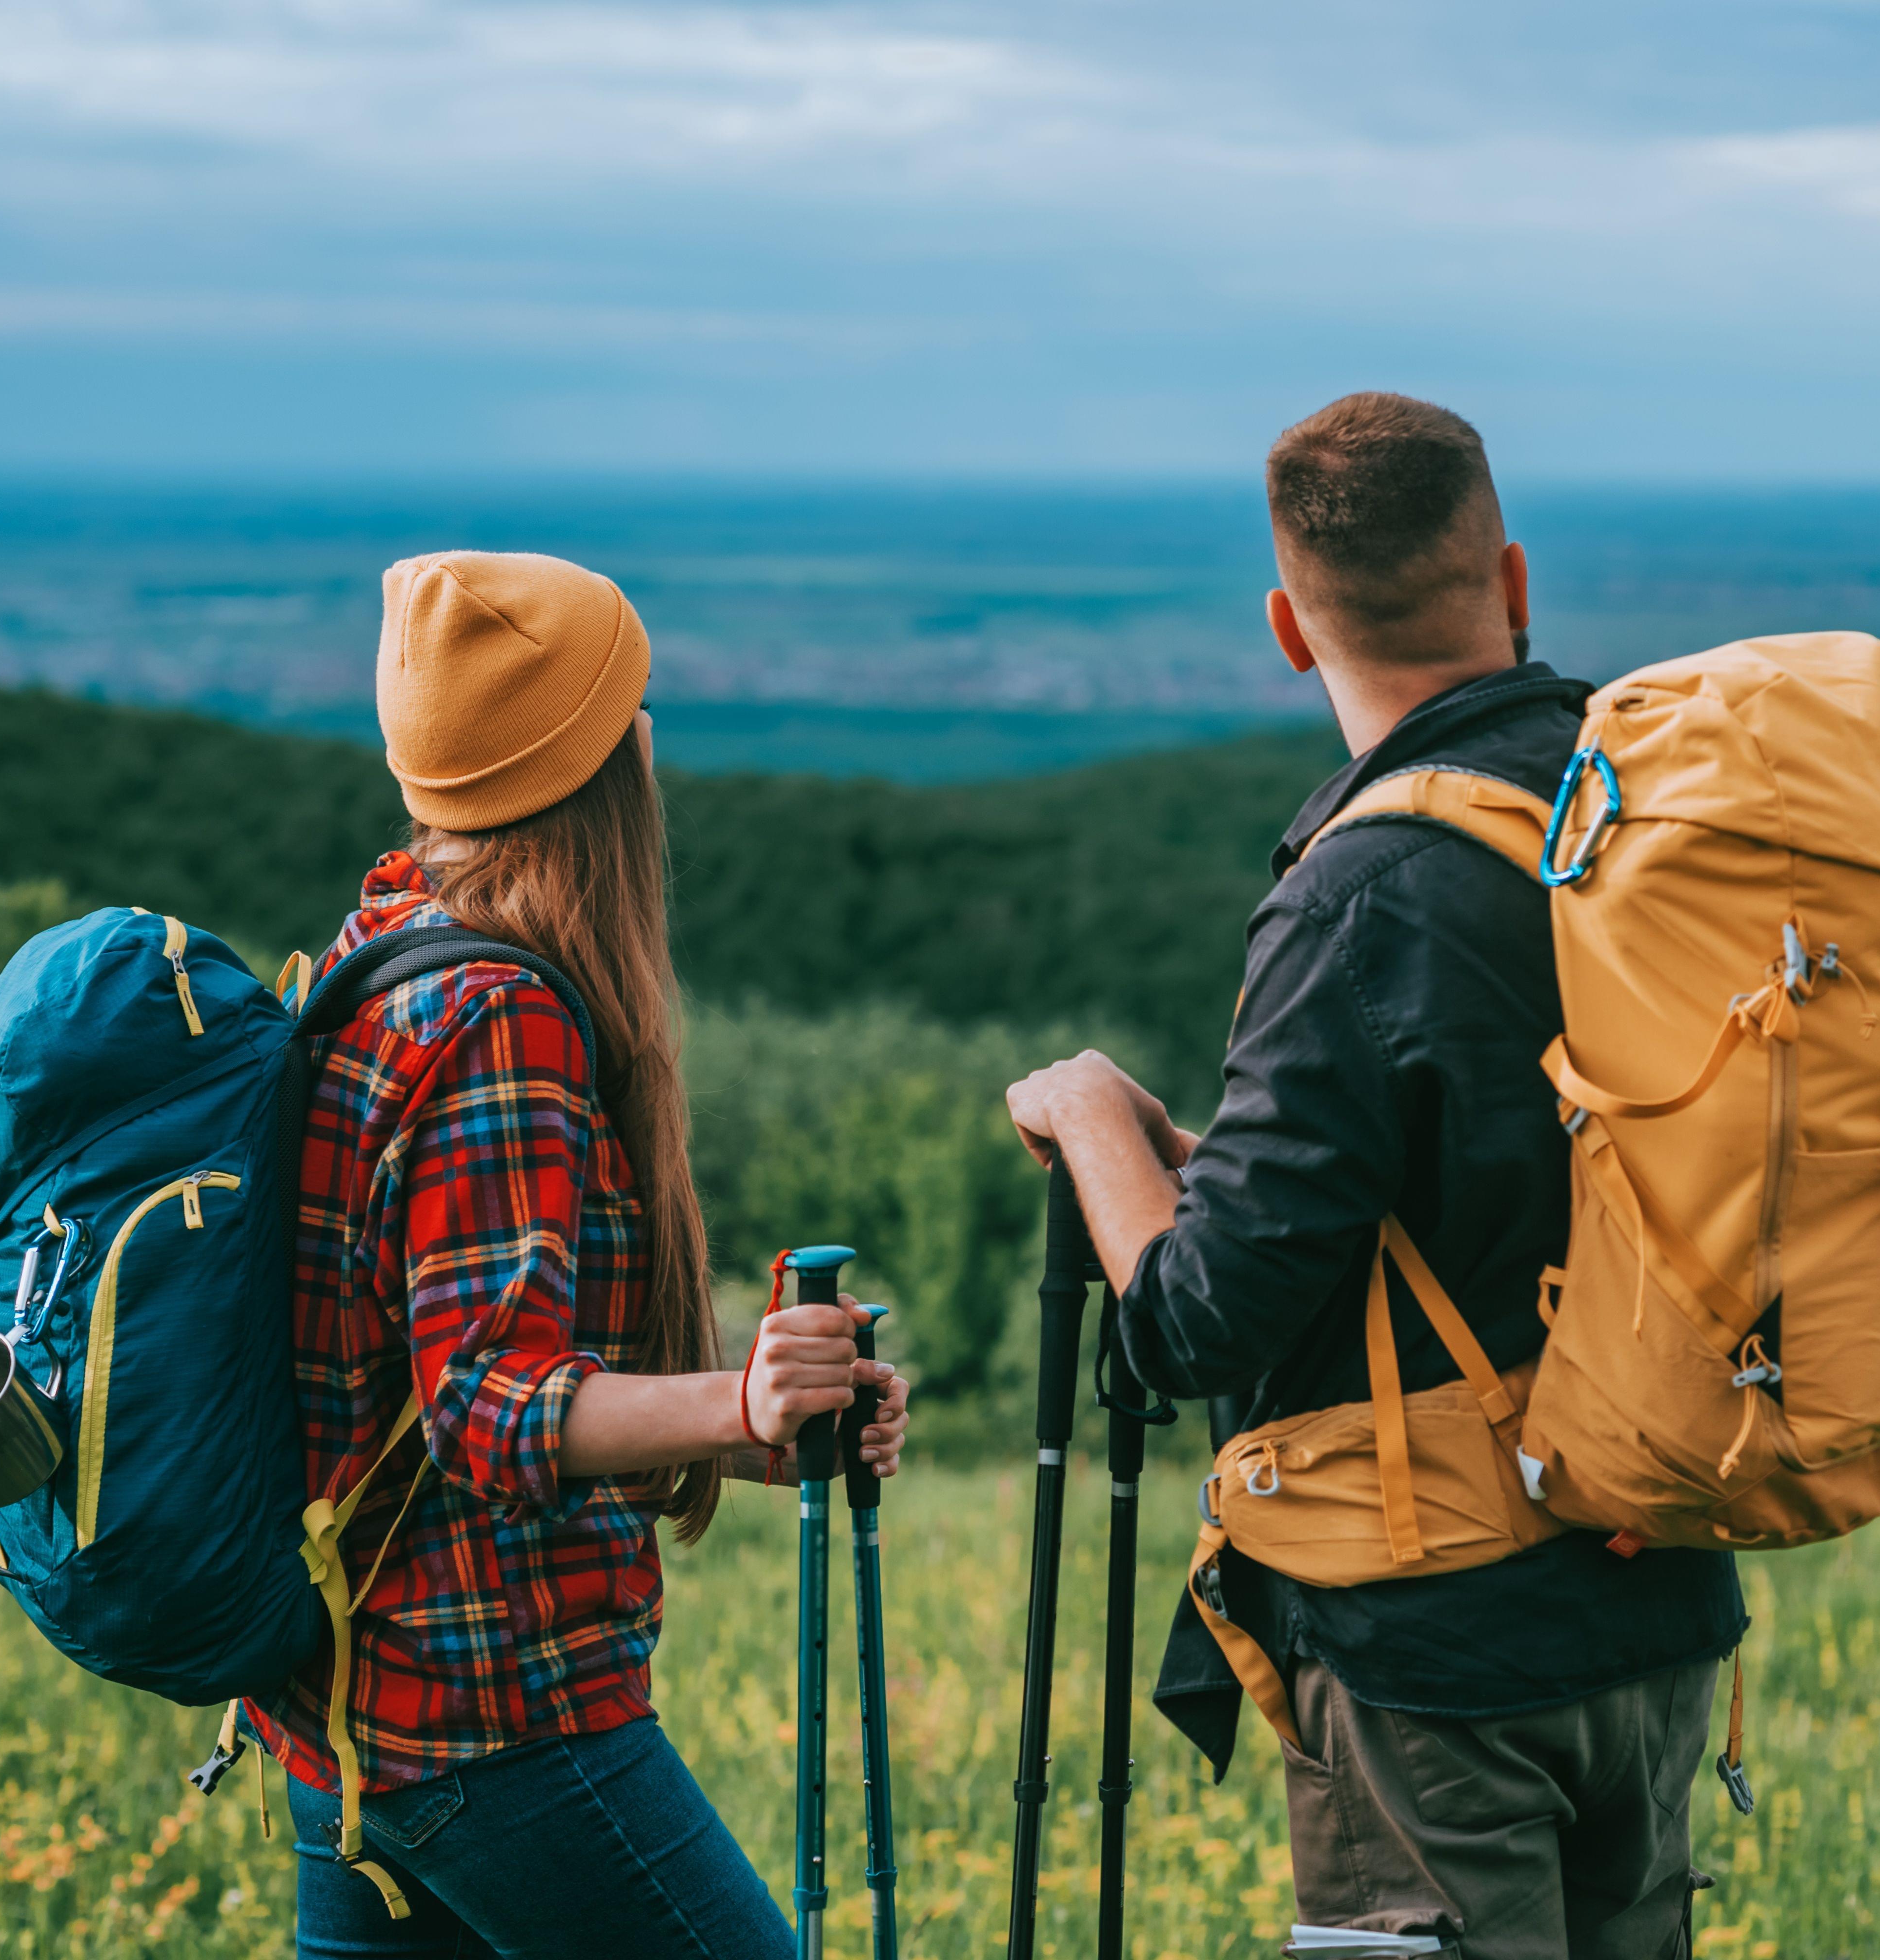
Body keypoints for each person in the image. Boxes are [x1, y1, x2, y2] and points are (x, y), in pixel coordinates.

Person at [1006, 395, 1745, 1960]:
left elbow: (1194, 1323)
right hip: (1655, 1590)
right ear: (1516, 579)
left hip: (1436, 1643)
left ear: (1289, 628)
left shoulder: (1360, 898)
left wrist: (1092, 1122)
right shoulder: (1658, 825)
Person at [244, 549, 910, 1958]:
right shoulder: (498, 1021)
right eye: (635, 706)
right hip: (500, 1717)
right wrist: (738, 1400)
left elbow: (443, 1367)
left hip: (359, 1712)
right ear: (592, 761)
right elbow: (483, 1404)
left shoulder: (383, 943)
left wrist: (753, 1433)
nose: (653, 733)